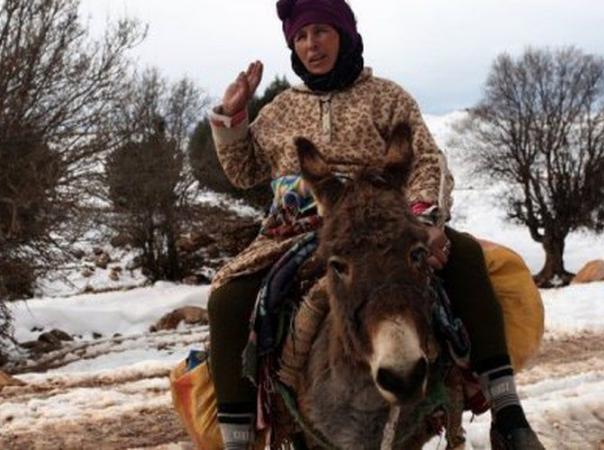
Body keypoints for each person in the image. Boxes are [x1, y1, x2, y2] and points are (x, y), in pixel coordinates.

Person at [207, 1, 545, 449]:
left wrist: (425, 219)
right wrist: (233, 119)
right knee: (228, 298)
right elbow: (244, 171)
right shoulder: (280, 110)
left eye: (322, 32)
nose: (312, 45)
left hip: (383, 224)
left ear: (344, 34)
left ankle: (507, 412)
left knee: (464, 256)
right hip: (296, 230)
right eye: (302, 37)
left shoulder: (388, 97)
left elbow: (426, 159)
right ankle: (238, 437)